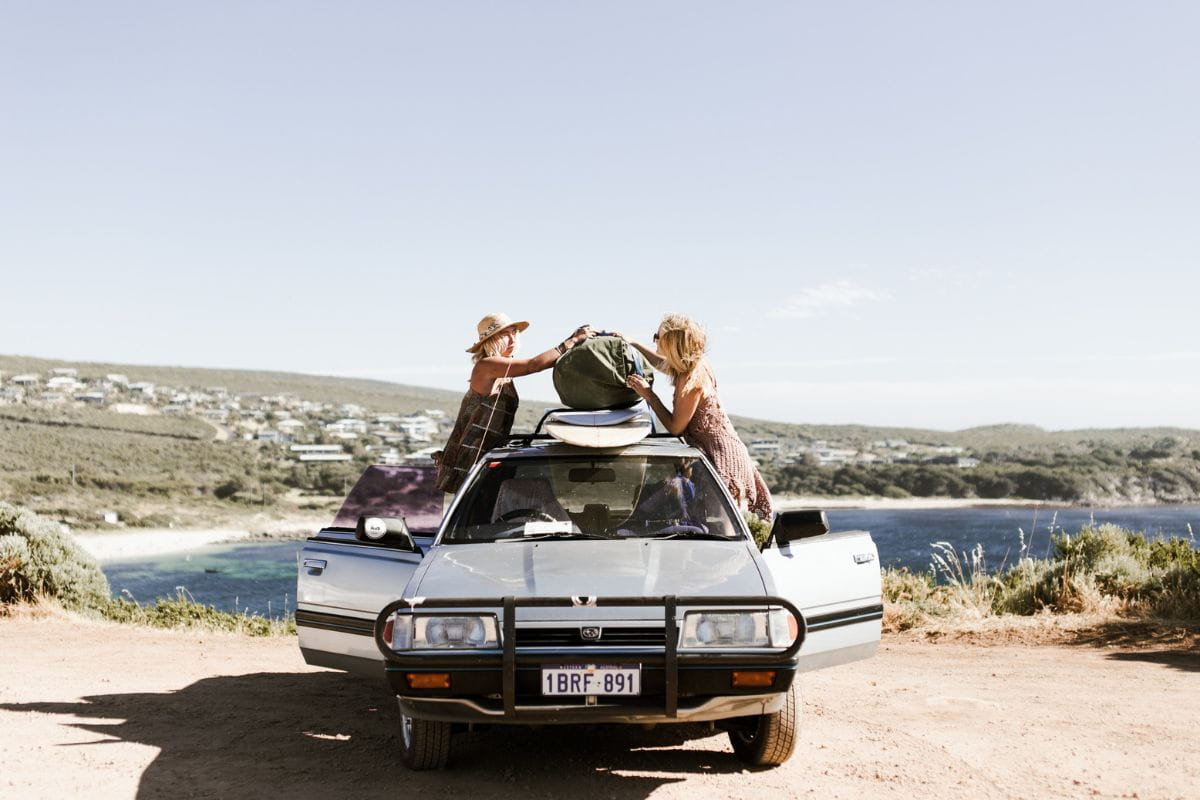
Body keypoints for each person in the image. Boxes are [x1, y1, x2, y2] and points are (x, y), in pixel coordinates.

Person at [618, 313, 773, 520]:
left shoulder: (692, 380)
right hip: (716, 451)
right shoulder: (691, 366)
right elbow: (662, 364)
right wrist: (633, 343)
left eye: (658, 337)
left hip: (721, 458)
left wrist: (649, 395)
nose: (654, 340)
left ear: (672, 344)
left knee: (720, 522)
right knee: (712, 520)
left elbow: (676, 427)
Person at [435, 313, 593, 493]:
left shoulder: (504, 369)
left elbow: (540, 363)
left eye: (514, 333)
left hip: (491, 455)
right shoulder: (486, 365)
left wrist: (574, 343)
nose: (512, 338)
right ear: (490, 340)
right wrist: (572, 341)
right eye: (504, 334)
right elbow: (533, 365)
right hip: (472, 456)